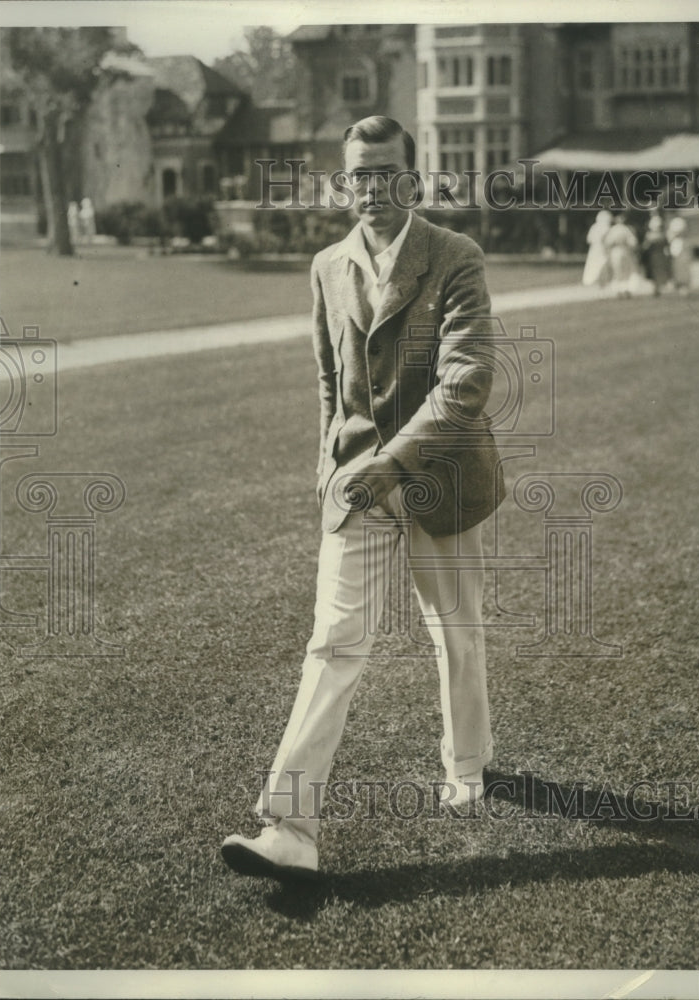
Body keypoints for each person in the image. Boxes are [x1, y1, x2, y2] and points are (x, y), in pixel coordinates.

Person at [221, 116, 505, 880]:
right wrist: (329, 460)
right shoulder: (326, 266)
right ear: (342, 183)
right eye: (357, 176)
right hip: (356, 483)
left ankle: (468, 764)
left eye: (386, 173)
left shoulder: (454, 256)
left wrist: (392, 463)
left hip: (440, 476)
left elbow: (468, 381)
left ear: (414, 179)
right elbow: (328, 377)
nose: (371, 190)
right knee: (333, 644)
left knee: (455, 633)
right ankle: (288, 827)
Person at [604, 212, 639, 298]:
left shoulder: (613, 230)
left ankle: (620, 290)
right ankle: (624, 290)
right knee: (625, 272)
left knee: (618, 272)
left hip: (616, 251)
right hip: (624, 251)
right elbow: (633, 243)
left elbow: (608, 242)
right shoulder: (626, 229)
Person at [640, 214, 670, 296]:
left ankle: (657, 288)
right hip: (658, 256)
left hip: (654, 256)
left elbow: (645, 247)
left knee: (655, 273)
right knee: (657, 272)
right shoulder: (662, 235)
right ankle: (657, 288)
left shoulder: (650, 235)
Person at [581, 209, 612, 288]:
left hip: (594, 249)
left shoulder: (594, 227)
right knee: (602, 263)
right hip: (602, 249)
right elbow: (607, 240)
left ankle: (594, 281)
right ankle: (602, 282)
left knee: (593, 264)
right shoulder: (606, 227)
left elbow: (589, 239)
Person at [667, 216, 692, 295]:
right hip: (677, 259)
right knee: (677, 272)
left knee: (683, 272)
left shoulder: (683, 241)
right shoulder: (675, 241)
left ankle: (684, 287)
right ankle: (679, 286)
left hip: (682, 258)